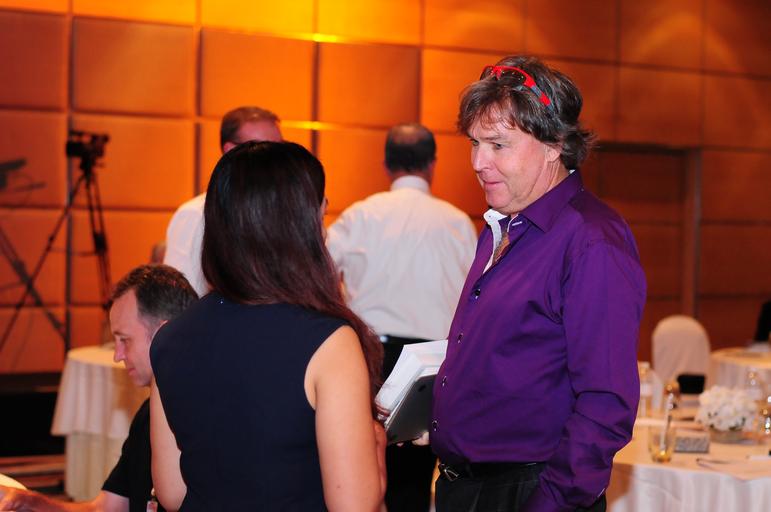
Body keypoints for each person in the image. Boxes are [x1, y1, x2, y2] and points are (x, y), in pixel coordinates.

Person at [430, 56, 647, 512]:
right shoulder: (503, 225)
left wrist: (550, 503)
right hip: (468, 488)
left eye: (498, 144)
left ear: (554, 146)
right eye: (474, 143)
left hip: (530, 492)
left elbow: (606, 404)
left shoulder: (592, 241)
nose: (478, 162)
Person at [150, 141, 386, 511]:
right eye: (321, 213)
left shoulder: (169, 338)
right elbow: (353, 505)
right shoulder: (329, 342)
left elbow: (171, 491)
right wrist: (375, 447)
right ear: (301, 227)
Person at [326, 123, 477, 512]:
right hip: (432, 365)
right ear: (432, 164)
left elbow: (319, 275)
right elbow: (476, 299)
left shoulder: (359, 215)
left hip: (369, 360)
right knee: (414, 483)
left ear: (386, 164)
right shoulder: (458, 223)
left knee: (364, 474)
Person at [0, 264, 197, 512]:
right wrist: (30, 501)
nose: (117, 355)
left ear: (164, 336)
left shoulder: (206, 421)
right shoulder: (148, 416)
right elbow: (105, 508)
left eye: (124, 340)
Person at [163, 106, 282, 296]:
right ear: (230, 151)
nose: (277, 160)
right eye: (262, 149)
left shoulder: (279, 211)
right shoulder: (196, 214)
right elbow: (180, 296)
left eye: (280, 149)